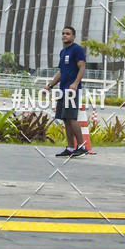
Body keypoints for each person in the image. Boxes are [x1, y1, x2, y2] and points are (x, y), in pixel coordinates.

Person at [46, 25, 87, 158]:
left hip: (71, 91)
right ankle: (70, 148)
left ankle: (81, 146)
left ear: (73, 37)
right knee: (65, 119)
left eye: (68, 33)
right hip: (62, 90)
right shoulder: (63, 52)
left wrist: (75, 83)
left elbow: (82, 67)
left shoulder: (77, 49)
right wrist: (50, 85)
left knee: (72, 118)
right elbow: (61, 72)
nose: (64, 35)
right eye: (63, 33)